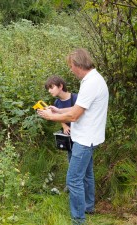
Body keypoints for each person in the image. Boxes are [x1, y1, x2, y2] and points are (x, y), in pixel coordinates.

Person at [37, 48, 109, 224]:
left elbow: (74, 116)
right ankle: (88, 207)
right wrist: (59, 109)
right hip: (88, 137)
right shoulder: (92, 79)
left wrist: (51, 116)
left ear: (78, 65)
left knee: (73, 178)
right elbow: (79, 109)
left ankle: (78, 219)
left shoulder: (91, 83)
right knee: (86, 174)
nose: (70, 70)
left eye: (71, 66)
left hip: (85, 140)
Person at [44, 75, 78, 162]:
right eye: (48, 88)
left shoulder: (75, 98)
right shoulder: (57, 102)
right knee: (71, 157)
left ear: (60, 86)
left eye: (51, 87)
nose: (49, 91)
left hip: (79, 133)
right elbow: (58, 116)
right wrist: (64, 126)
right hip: (69, 134)